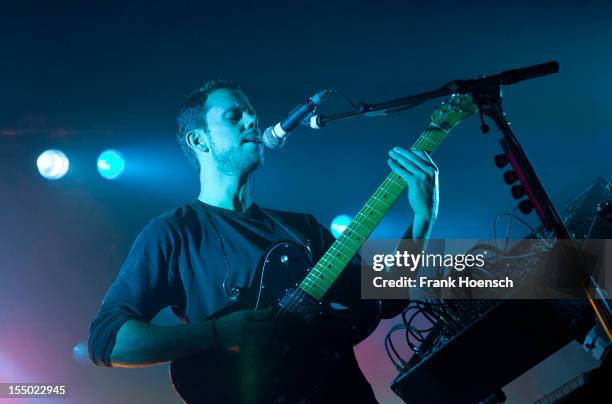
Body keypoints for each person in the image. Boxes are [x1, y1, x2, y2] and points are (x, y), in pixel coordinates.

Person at [88, 79, 439, 403]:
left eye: (253, 115)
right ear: (199, 140)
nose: (252, 122)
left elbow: (388, 298)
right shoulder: (174, 232)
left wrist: (422, 221)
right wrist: (215, 334)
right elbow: (108, 341)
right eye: (234, 116)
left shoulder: (301, 227)